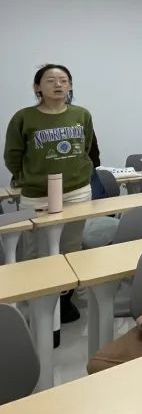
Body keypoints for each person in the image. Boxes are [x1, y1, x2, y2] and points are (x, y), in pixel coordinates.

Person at [4, 64, 97, 323]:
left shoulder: (81, 114)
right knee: (36, 248)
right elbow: (13, 155)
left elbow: (86, 146)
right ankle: (41, 302)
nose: (58, 85)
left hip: (77, 190)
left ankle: (64, 300)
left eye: (64, 80)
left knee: (71, 245)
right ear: (37, 87)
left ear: (70, 85)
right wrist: (26, 178)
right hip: (37, 194)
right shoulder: (24, 118)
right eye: (51, 80)